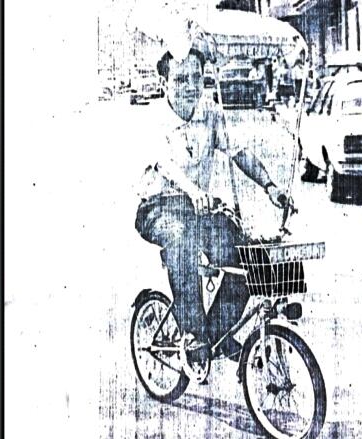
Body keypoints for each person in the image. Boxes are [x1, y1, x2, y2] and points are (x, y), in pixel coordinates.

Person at [134, 47, 287, 363]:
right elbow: (166, 167)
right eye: (179, 79)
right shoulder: (153, 120)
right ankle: (193, 335)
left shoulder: (211, 113)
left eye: (195, 78)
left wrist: (270, 186)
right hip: (159, 208)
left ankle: (215, 333)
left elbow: (240, 152)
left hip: (198, 209)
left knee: (247, 257)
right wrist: (192, 191)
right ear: (164, 83)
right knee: (181, 239)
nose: (189, 87)